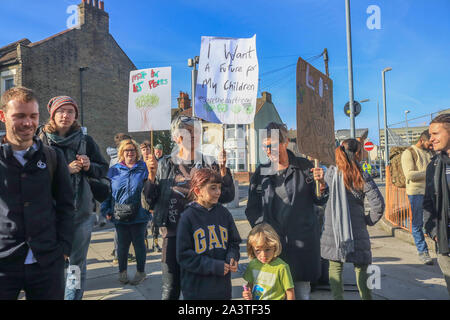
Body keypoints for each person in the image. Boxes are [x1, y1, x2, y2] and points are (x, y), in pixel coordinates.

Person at [143, 115, 235, 300]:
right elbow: (147, 203)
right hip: (174, 235)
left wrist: (224, 172)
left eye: (197, 133)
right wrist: (151, 177)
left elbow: (227, 196)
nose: (194, 136)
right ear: (177, 137)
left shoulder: (211, 164)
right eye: (189, 132)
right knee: (171, 290)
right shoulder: (164, 165)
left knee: (201, 291)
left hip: (204, 236)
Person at [0, 87, 74, 300]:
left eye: (33, 116)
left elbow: (66, 205)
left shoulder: (53, 156)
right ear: (3, 116)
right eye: (19, 116)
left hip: (47, 262)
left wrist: (64, 249)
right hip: (4, 264)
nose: (28, 123)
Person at [245, 122, 329, 300]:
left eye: (273, 145)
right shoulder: (261, 173)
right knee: (272, 295)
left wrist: (321, 184)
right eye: (265, 146)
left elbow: (320, 200)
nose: (268, 150)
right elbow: (252, 208)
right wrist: (263, 230)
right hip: (272, 249)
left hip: (301, 246)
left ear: (285, 142)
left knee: (300, 294)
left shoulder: (305, 167)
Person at [36, 95, 109, 300]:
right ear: (52, 114)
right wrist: (63, 171)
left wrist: (88, 166)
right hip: (50, 213)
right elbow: (32, 175)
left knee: (77, 263)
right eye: (61, 111)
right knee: (53, 261)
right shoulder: (41, 140)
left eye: (70, 111)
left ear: (75, 115)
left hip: (81, 212)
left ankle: (72, 297)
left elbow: (102, 169)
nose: (65, 115)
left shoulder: (86, 140)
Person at [320, 139, 385, 300]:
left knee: (335, 267)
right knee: (362, 267)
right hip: (357, 229)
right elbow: (378, 205)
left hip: (333, 228)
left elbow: (322, 197)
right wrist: (368, 220)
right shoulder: (361, 173)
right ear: (357, 153)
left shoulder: (330, 173)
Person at [176, 168, 241, 300]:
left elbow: (234, 243)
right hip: (196, 290)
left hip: (222, 289)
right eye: (213, 188)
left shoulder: (224, 213)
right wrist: (214, 266)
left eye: (219, 188)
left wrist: (232, 256)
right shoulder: (187, 217)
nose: (218, 192)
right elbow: (183, 256)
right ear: (198, 191)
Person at [101, 139, 151, 285]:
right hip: (119, 213)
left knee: (139, 244)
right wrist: (106, 209)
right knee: (122, 246)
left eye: (132, 150)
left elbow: (151, 189)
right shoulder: (114, 170)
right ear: (121, 153)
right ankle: (122, 272)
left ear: (137, 152)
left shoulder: (144, 168)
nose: (130, 153)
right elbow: (107, 192)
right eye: (126, 150)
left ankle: (141, 272)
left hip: (139, 213)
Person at [423, 113, 450, 296]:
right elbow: (427, 201)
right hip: (445, 241)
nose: (431, 139)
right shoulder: (433, 165)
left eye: (435, 134)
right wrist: (432, 230)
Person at [401, 130, 434, 265]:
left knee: (435, 221)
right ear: (422, 140)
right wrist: (430, 172)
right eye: (429, 143)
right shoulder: (409, 153)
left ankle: (440, 250)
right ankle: (423, 251)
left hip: (431, 192)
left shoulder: (429, 153)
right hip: (416, 193)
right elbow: (410, 175)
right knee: (417, 223)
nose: (431, 146)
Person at [242, 223, 295, 300]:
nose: (263, 255)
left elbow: (290, 292)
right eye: (258, 250)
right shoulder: (252, 265)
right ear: (252, 249)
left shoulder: (282, 267)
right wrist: (246, 294)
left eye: (267, 249)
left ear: (275, 247)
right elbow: (250, 284)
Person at [140, 140, 162, 252]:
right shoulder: (139, 164)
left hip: (153, 195)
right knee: (144, 223)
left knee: (155, 223)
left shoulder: (155, 162)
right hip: (143, 196)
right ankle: (144, 243)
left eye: (148, 149)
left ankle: (155, 242)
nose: (146, 151)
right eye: (143, 149)